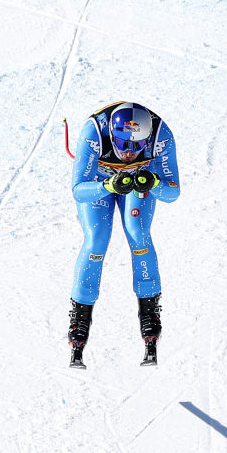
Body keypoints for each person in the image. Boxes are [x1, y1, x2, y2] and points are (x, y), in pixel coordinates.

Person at [67, 102, 181, 368]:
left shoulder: (161, 135)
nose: (128, 154)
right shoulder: (93, 132)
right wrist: (107, 184)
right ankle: (80, 317)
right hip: (99, 182)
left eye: (137, 146)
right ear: (111, 137)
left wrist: (153, 182)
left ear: (148, 138)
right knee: (97, 238)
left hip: (138, 181)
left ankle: (150, 311)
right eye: (122, 145)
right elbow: (78, 190)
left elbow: (173, 192)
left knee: (138, 233)